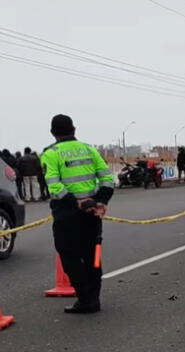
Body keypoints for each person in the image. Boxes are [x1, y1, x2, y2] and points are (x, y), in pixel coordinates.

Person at [40, 114, 114, 314]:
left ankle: (85, 298)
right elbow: (107, 178)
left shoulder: (50, 153)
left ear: (53, 133)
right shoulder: (89, 149)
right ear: (74, 130)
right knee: (93, 255)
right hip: (93, 213)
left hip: (67, 214)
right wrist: (101, 201)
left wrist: (76, 203)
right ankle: (94, 298)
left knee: (69, 255)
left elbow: (54, 186)